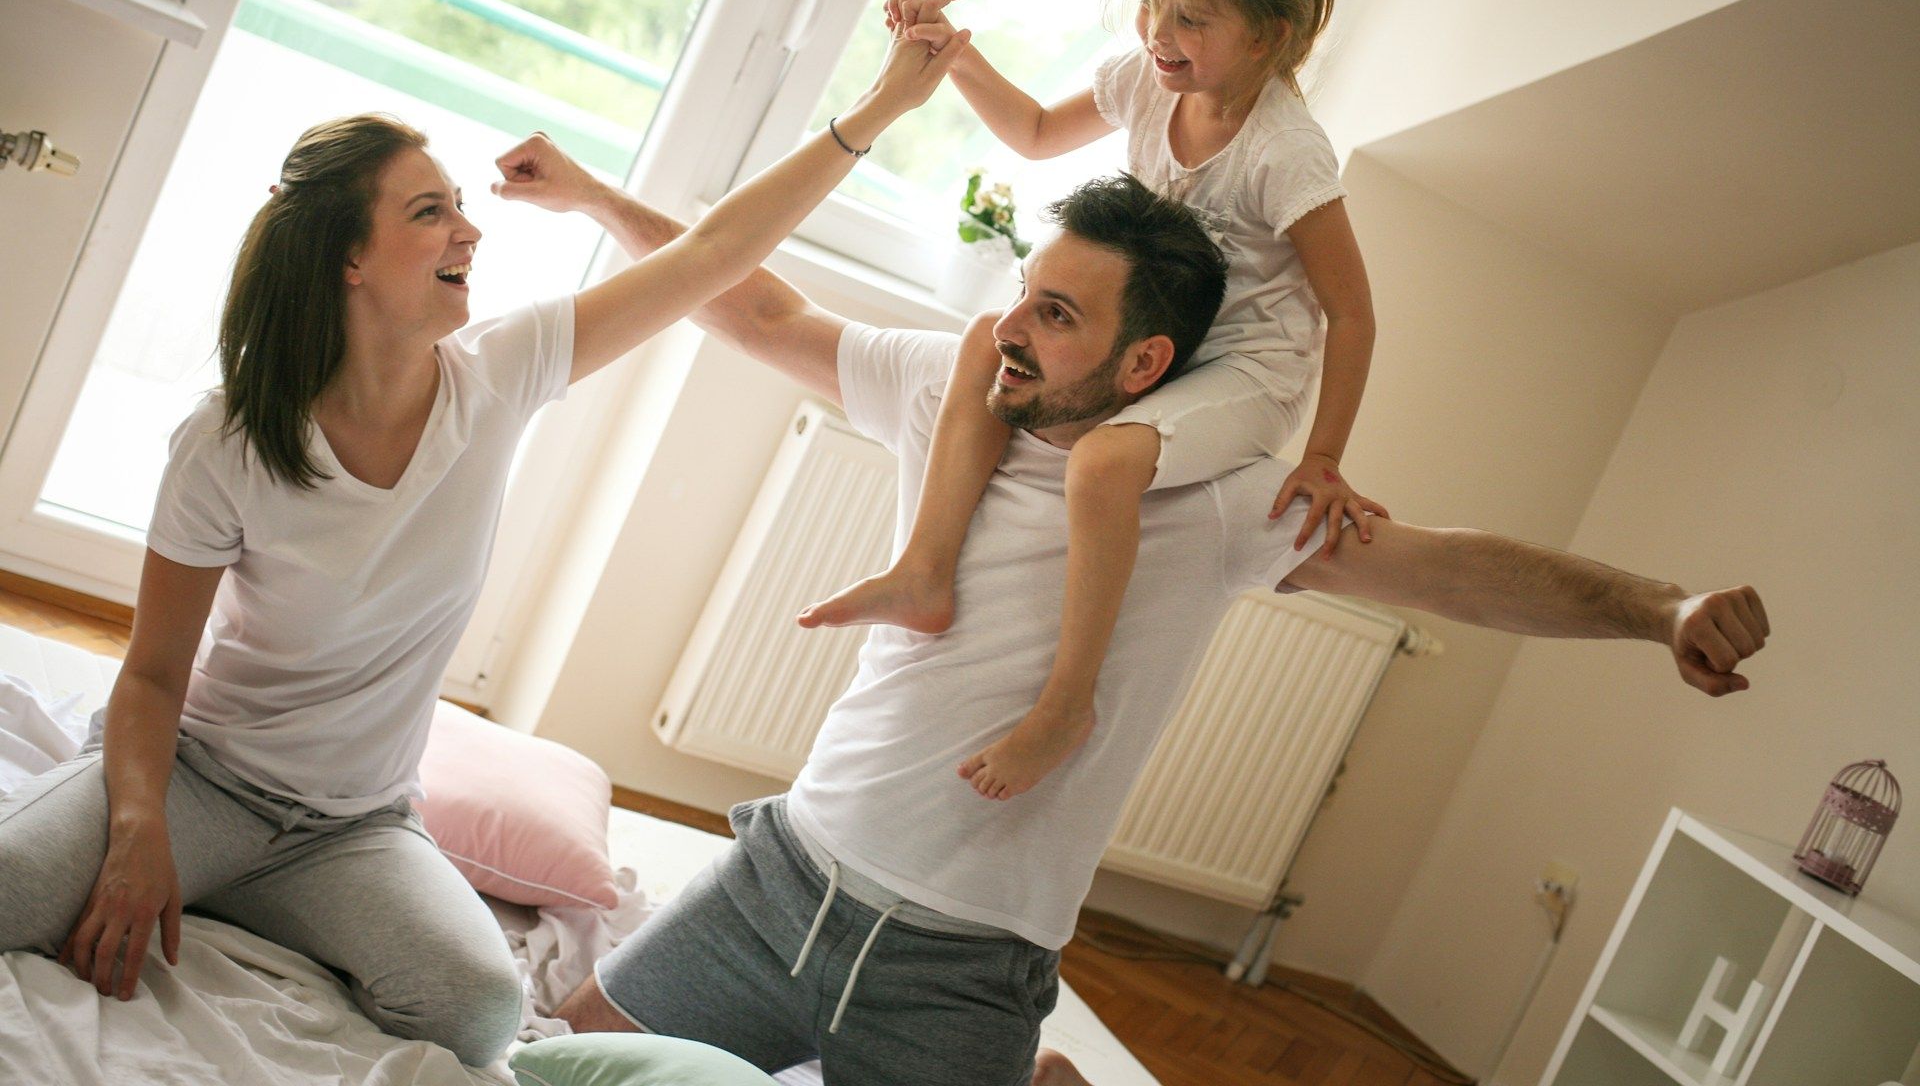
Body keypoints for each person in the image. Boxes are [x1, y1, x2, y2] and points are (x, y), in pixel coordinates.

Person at [487, 134, 1770, 1086]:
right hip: (781, 880)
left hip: (959, 965)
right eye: (1025, 294)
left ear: (1143, 363)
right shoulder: (956, 391)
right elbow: (759, 306)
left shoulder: (1211, 498)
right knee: (568, 1069)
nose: (1014, 329)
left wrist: (1660, 607)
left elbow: (1447, 568)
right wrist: (600, 196)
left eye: (1058, 314)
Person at [0, 25, 970, 1065]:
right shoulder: (229, 439)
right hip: (203, 778)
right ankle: (206, 874)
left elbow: (711, 257)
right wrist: (141, 824)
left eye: (462, 203)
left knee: (478, 1008)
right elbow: (151, 673)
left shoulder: (498, 374)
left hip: (350, 826)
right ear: (351, 260)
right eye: (432, 210)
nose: (471, 229)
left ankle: (254, 901)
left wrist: (873, 114)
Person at [800, 0, 1390, 803]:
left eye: (1193, 20)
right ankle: (924, 570)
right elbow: (1034, 133)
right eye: (1155, 3)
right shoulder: (1143, 80)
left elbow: (1351, 312)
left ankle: (1066, 705)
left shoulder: (1287, 152)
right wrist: (951, 54)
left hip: (1244, 367)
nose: (1161, 31)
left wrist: (1322, 456)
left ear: (1267, 38)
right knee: (979, 342)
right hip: (1161, 341)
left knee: (1105, 465)